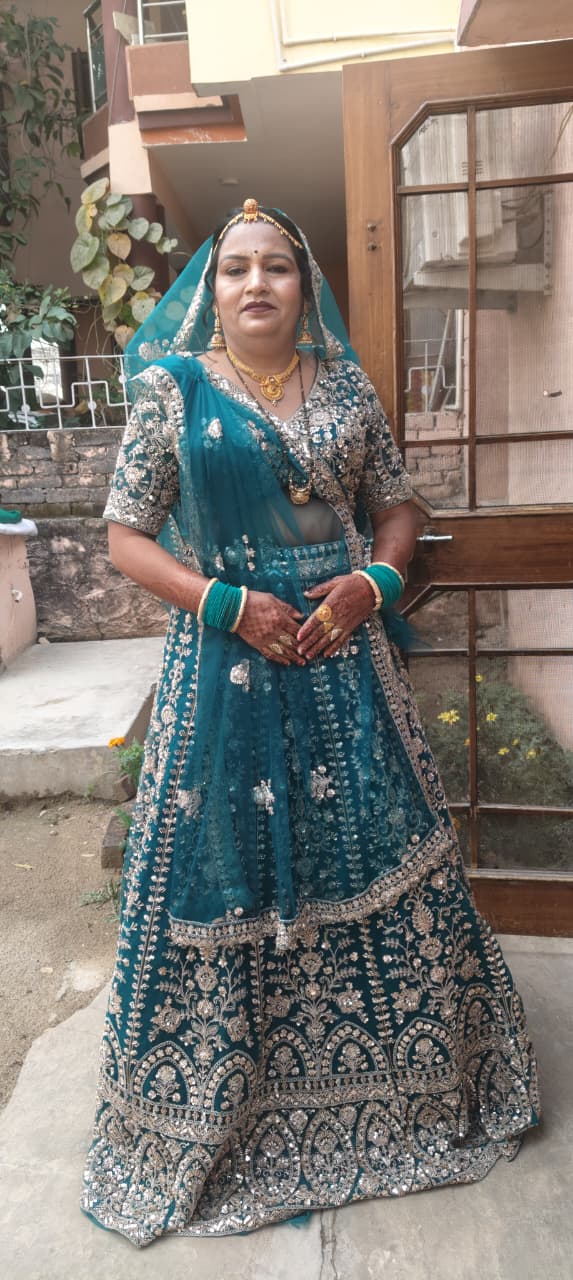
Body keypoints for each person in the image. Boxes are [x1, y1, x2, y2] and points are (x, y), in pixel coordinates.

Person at [81, 199, 539, 1247]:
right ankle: (225, 1106)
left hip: (344, 663)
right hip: (223, 666)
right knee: (226, 868)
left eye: (276, 266)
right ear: (212, 290)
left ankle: (409, 1091)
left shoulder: (345, 389)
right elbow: (123, 537)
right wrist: (225, 603)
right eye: (235, 267)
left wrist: (376, 582)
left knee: (378, 850)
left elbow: (399, 507)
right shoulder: (172, 391)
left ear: (305, 285)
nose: (256, 283)